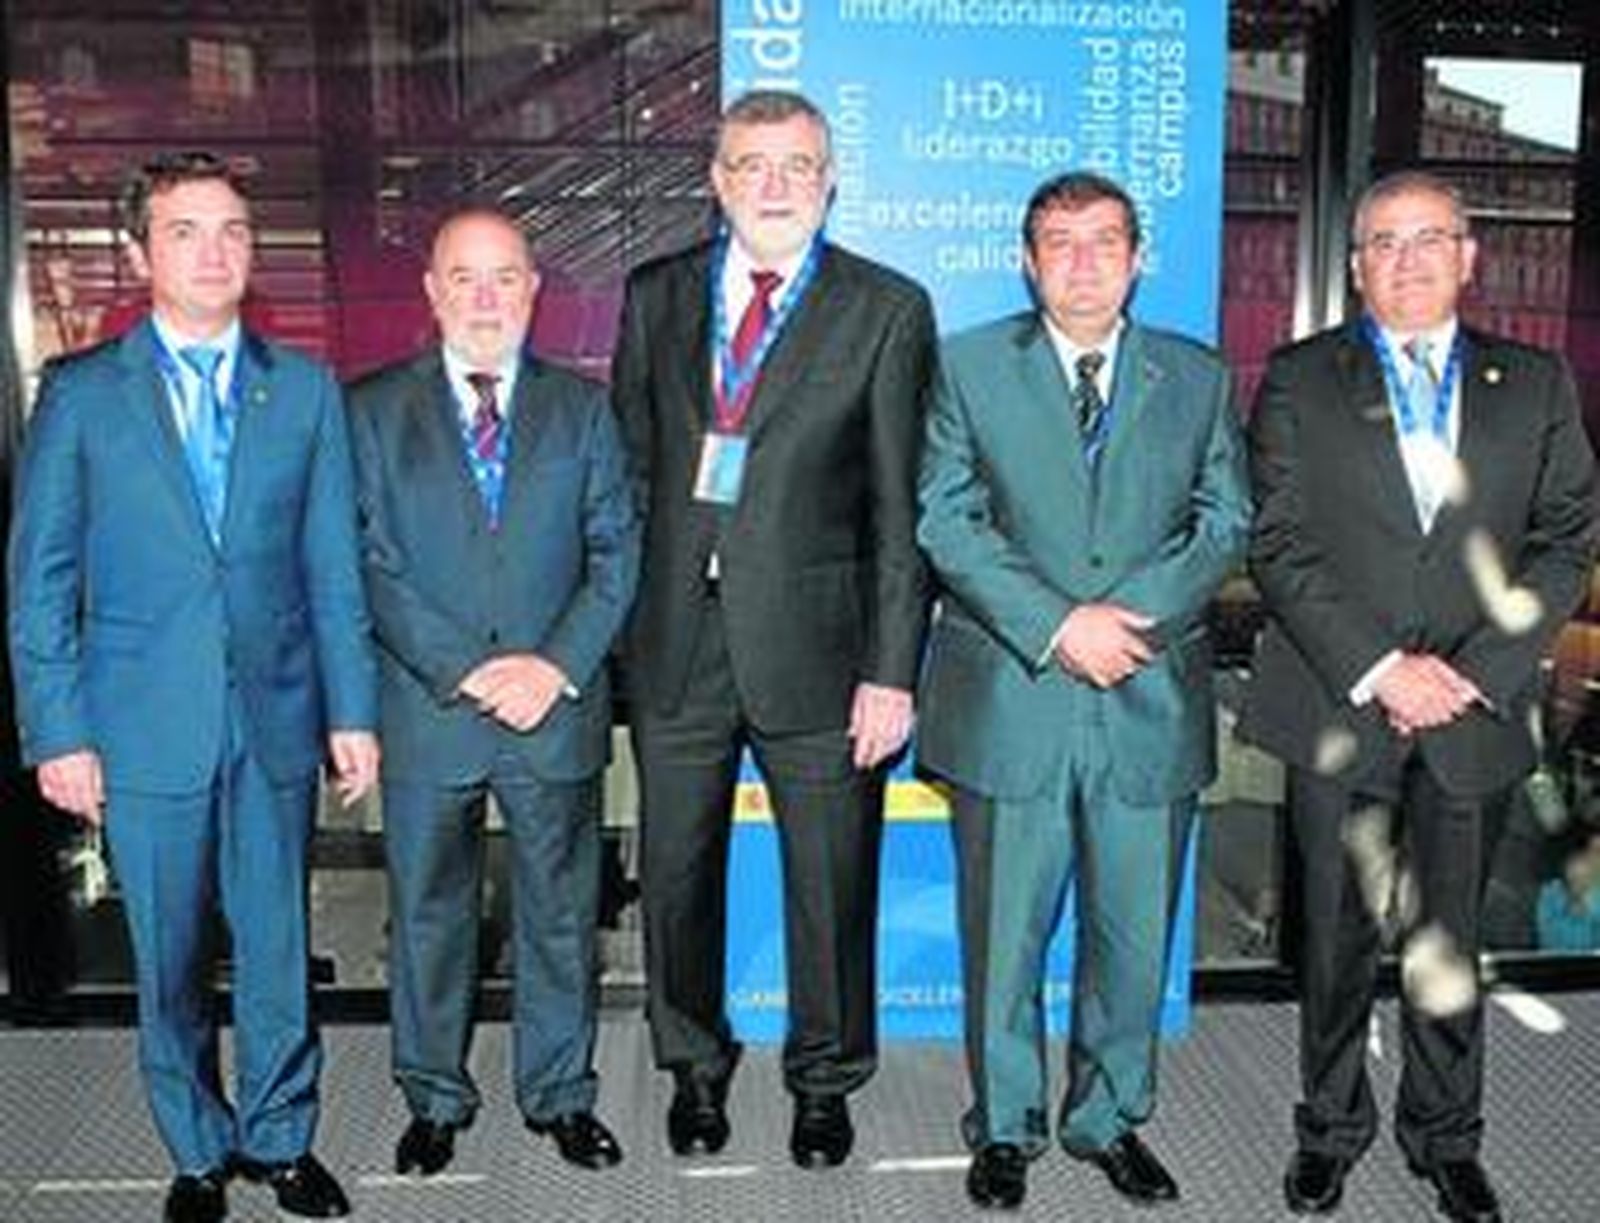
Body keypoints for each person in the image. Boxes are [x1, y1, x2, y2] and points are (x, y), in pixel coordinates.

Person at [7, 151, 379, 1223]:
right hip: (139, 727)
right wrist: (57, 731)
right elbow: (40, 583)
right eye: (185, 230)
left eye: (231, 230)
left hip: (272, 721)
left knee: (274, 948)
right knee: (168, 958)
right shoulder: (81, 397)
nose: (213, 251)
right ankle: (197, 1147)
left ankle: (279, 1135)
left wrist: (351, 710)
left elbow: (332, 569)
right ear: (139, 251)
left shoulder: (302, 391)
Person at [1241, 169, 1597, 1223]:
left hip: (1473, 712)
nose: (1405, 259)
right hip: (1337, 704)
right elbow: (1279, 540)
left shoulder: (1532, 382)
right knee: (1336, 937)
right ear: (1354, 268)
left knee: (1449, 938)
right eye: (1381, 244)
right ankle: (1329, 1130)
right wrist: (1383, 668)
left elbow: (1564, 537)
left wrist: (1473, 674)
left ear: (1467, 253)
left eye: (1426, 238)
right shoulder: (1300, 377)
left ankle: (1445, 1138)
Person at [611, 89, 936, 1167]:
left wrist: (892, 668)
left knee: (831, 879)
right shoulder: (654, 297)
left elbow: (901, 509)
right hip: (675, 642)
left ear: (829, 178)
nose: (776, 184)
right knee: (678, 874)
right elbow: (628, 476)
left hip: (824, 648)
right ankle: (695, 1068)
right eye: (753, 163)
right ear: (717, 180)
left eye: (799, 164)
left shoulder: (886, 308)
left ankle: (824, 1076)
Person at [917, 170, 1248, 1211]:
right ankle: (1004, 1124)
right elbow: (944, 516)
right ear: (1026, 259)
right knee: (1003, 932)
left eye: (1104, 240)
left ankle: (1107, 1116)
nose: (1082, 260)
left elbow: (1224, 519)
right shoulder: (966, 367)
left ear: (1138, 256)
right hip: (1015, 696)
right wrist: (1060, 626)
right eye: (1058, 241)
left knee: (1132, 932)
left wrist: (1125, 621)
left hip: (1149, 698)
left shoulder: (1195, 379)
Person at [347, 207, 639, 1176]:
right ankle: (434, 1095)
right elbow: (369, 561)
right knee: (428, 916)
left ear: (533, 289)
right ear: (430, 290)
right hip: (431, 708)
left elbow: (615, 551)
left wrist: (551, 666)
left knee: (561, 914)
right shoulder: (372, 410)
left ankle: (560, 1093)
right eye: (462, 277)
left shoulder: (583, 409)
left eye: (504, 276)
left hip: (552, 708)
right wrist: (467, 669)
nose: (484, 297)